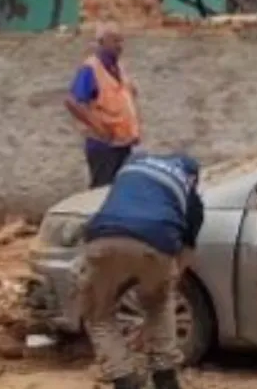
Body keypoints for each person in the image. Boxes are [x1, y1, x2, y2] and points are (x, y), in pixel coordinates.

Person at [77, 153, 204, 389]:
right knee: (159, 305)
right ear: (193, 177)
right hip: (157, 244)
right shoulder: (191, 196)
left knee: (98, 313)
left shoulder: (132, 167)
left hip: (103, 239)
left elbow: (120, 208)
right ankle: (165, 375)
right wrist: (161, 285)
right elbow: (183, 257)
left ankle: (124, 377)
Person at [65, 22, 141, 188]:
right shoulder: (91, 68)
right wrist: (98, 127)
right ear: (101, 42)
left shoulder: (118, 67)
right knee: (101, 192)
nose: (120, 46)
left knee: (119, 190)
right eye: (115, 41)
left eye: (121, 41)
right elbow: (72, 101)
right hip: (104, 146)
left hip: (122, 143)